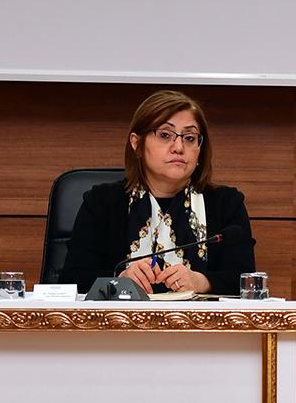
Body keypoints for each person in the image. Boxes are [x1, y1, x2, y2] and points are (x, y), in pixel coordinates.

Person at [60, 90, 256, 296]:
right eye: (165, 135)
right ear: (137, 144)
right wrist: (119, 279)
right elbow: (71, 281)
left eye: (190, 138)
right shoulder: (102, 202)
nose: (179, 147)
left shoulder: (226, 204)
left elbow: (247, 282)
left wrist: (203, 282)